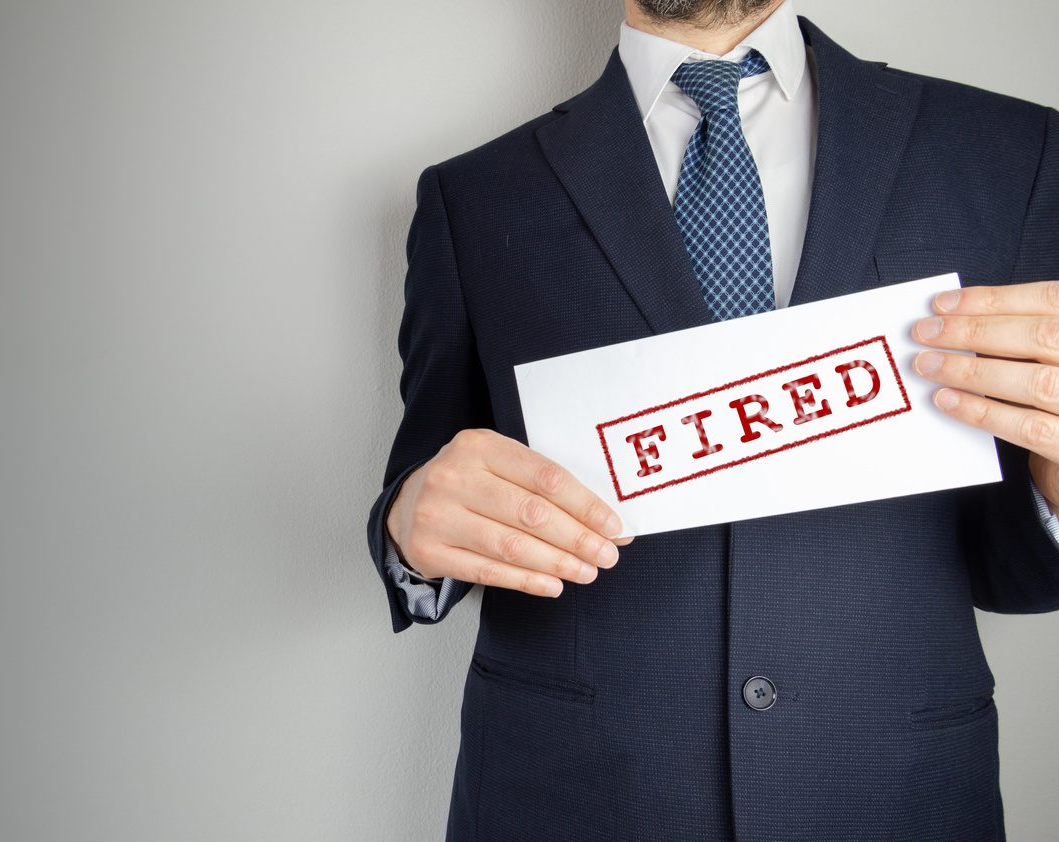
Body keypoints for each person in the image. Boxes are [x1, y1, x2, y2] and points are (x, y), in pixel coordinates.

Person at [365, 1, 1059, 838]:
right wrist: (411, 527)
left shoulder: (1014, 154)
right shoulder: (471, 198)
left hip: (888, 790)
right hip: (572, 798)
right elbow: (426, 480)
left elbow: (1016, 570)